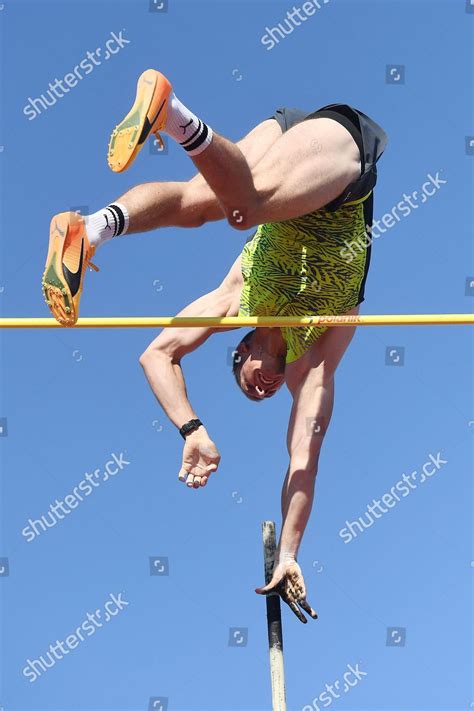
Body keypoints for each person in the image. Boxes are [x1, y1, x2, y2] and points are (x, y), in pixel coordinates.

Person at [42, 69, 387, 622]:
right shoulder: (321, 343)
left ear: (242, 348)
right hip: (339, 171)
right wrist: (293, 552)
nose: (263, 388)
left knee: (234, 205)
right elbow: (305, 458)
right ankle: (92, 227)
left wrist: (190, 429)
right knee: (218, 204)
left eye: (248, 385)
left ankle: (172, 117)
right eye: (263, 392)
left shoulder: (236, 296)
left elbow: (158, 353)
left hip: (291, 165)